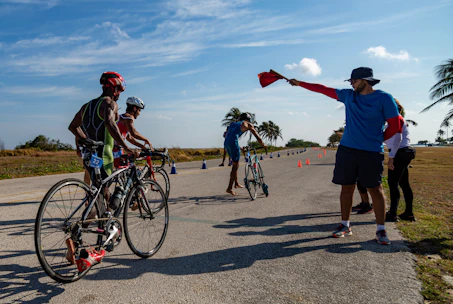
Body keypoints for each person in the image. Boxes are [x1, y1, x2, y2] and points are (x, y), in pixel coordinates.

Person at [288, 67, 404, 245]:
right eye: (350, 81)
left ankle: (381, 230)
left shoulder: (384, 98)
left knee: (375, 188)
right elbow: (323, 89)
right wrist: (300, 83)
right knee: (347, 187)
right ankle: (345, 225)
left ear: (366, 80)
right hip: (347, 150)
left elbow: (395, 125)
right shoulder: (349, 96)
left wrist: (378, 138)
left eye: (354, 80)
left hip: (371, 151)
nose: (351, 83)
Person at [67, 71, 133, 270]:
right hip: (103, 157)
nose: (119, 94)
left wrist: (86, 141)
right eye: (120, 90)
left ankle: (87, 239)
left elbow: (73, 126)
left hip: (90, 157)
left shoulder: (86, 106)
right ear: (114, 88)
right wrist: (127, 147)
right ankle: (88, 243)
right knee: (104, 203)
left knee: (99, 197)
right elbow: (111, 124)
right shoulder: (109, 103)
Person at [385, 99, 416, 222]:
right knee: (404, 184)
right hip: (405, 152)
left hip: (400, 153)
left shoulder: (396, 119)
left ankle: (392, 213)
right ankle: (409, 213)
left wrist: (391, 157)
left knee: (393, 183)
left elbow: (398, 138)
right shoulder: (398, 119)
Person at [224, 112, 266, 196]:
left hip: (226, 143)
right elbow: (257, 137)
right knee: (235, 166)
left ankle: (236, 183)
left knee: (235, 165)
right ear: (248, 119)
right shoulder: (248, 124)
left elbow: (228, 135)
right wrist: (263, 145)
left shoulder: (233, 124)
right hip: (233, 142)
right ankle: (229, 188)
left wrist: (239, 147)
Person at [114, 96, 153, 168]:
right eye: (139, 110)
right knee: (125, 170)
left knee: (125, 170)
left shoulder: (121, 117)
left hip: (116, 149)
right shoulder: (129, 117)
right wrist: (146, 140)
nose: (139, 113)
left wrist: (141, 146)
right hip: (116, 149)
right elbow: (134, 132)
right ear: (134, 108)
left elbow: (129, 137)